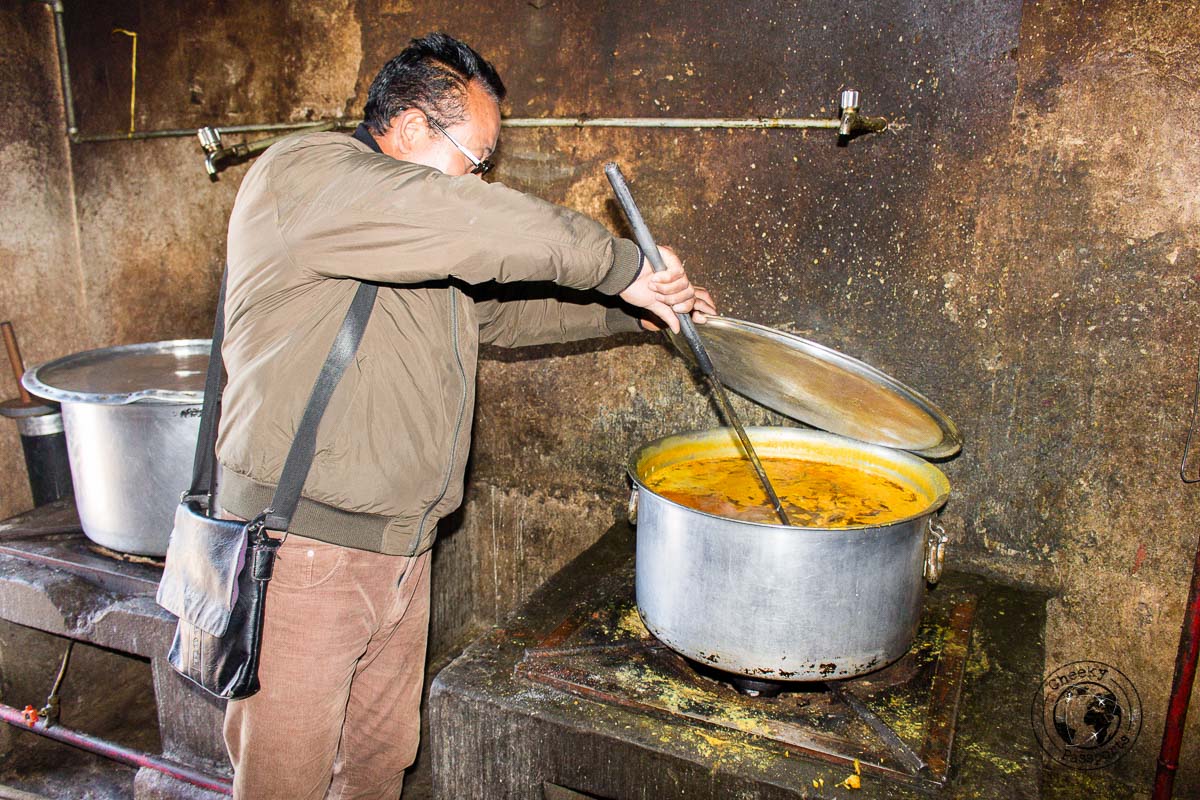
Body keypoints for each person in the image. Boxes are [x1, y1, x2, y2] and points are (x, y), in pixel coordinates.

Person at [214, 32, 714, 799]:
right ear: (412, 128)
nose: (482, 179)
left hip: (400, 553)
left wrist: (627, 312)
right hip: (304, 552)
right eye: (477, 160)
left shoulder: (409, 239)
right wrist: (623, 265)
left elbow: (501, 319)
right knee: (286, 782)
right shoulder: (310, 175)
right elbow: (480, 223)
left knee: (376, 767)